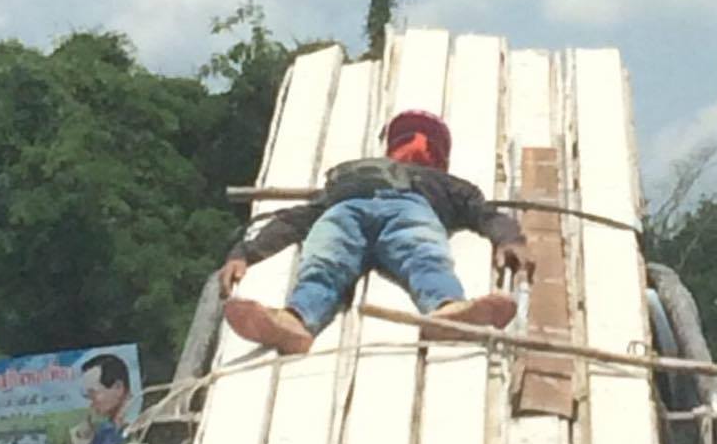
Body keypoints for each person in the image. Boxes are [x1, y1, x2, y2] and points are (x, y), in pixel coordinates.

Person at [220, 109, 534, 354]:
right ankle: (295, 321)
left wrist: (509, 238)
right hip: (346, 209)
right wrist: (246, 253)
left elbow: (483, 213)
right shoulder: (349, 179)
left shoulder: (444, 183)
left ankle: (446, 308)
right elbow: (296, 218)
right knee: (325, 258)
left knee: (423, 253)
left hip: (408, 208)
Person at [70, 353, 132, 444]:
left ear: (118, 387)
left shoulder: (139, 422)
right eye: (87, 395)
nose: (91, 402)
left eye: (93, 393)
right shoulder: (104, 430)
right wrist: (83, 438)